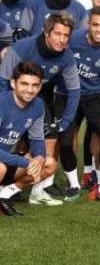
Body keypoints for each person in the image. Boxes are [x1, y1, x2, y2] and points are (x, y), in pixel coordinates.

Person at [0, 13, 79, 205]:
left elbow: (75, 90)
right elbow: (3, 80)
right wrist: (12, 107)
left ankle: (15, 191)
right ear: (46, 32)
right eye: (57, 34)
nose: (62, 39)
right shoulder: (22, 48)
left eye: (66, 35)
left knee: (47, 157)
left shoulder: (66, 56)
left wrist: (66, 121)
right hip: (10, 96)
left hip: (34, 98)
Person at [57, 7, 100, 203]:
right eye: (95, 25)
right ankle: (73, 185)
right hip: (66, 94)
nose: (99, 30)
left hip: (94, 97)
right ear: (88, 25)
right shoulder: (72, 39)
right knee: (66, 141)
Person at [0, 61, 46, 216]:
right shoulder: (2, 103)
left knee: (48, 164)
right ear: (13, 83)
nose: (30, 90)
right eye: (24, 84)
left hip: (8, 158)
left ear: (40, 87)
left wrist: (39, 158)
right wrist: (27, 163)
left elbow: (37, 138)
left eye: (35, 85)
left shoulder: (38, 105)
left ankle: (4, 195)